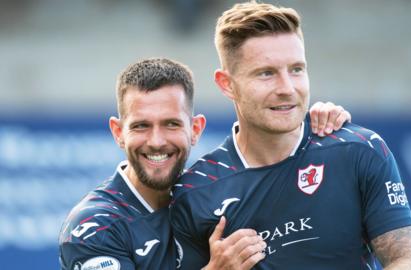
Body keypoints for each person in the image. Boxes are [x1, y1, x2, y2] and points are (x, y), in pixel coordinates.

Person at [170, 2, 411, 270]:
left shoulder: (359, 150)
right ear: (227, 84)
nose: (287, 88)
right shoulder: (194, 192)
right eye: (266, 73)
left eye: (296, 69)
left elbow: (407, 260)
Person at [58, 58, 352, 270]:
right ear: (118, 132)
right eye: (141, 126)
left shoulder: (212, 194)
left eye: (172, 124)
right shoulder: (93, 227)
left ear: (195, 129)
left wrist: (313, 124)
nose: (157, 141)